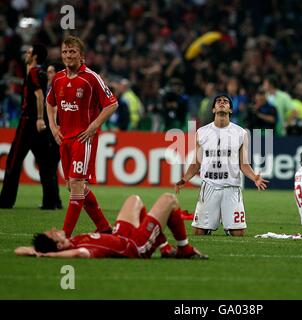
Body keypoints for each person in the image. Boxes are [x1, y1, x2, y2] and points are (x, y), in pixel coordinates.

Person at [46, 36, 117, 237]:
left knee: (76, 183)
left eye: (72, 52)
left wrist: (94, 126)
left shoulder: (91, 77)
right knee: (73, 186)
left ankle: (65, 235)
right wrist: (53, 126)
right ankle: (104, 227)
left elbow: (112, 103)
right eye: (65, 52)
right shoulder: (58, 78)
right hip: (65, 138)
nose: (68, 55)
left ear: (82, 55)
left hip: (83, 138)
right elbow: (49, 102)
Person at [175, 94, 268, 236]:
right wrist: (185, 178)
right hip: (209, 186)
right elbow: (197, 162)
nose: (222, 103)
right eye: (218, 101)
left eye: (226, 101)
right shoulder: (202, 132)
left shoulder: (241, 133)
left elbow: (243, 164)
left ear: (230, 110)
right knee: (199, 232)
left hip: (231, 187)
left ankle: (228, 228)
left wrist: (254, 177)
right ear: (213, 109)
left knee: (238, 234)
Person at [15, 193, 208, 259]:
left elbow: (19, 250)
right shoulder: (79, 249)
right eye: (52, 234)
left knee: (134, 200)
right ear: (58, 245)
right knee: (169, 200)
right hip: (134, 245)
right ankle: (185, 249)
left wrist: (38, 252)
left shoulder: (71, 242)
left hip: (121, 235)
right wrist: (52, 255)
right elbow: (80, 254)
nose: (53, 230)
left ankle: (164, 248)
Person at [0, 43, 62, 210]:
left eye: (29, 51)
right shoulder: (39, 73)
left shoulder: (34, 72)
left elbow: (39, 95)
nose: (26, 53)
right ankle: (51, 202)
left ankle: (5, 201)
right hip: (37, 124)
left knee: (13, 160)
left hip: (29, 121)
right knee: (44, 162)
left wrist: (39, 118)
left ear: (34, 55)